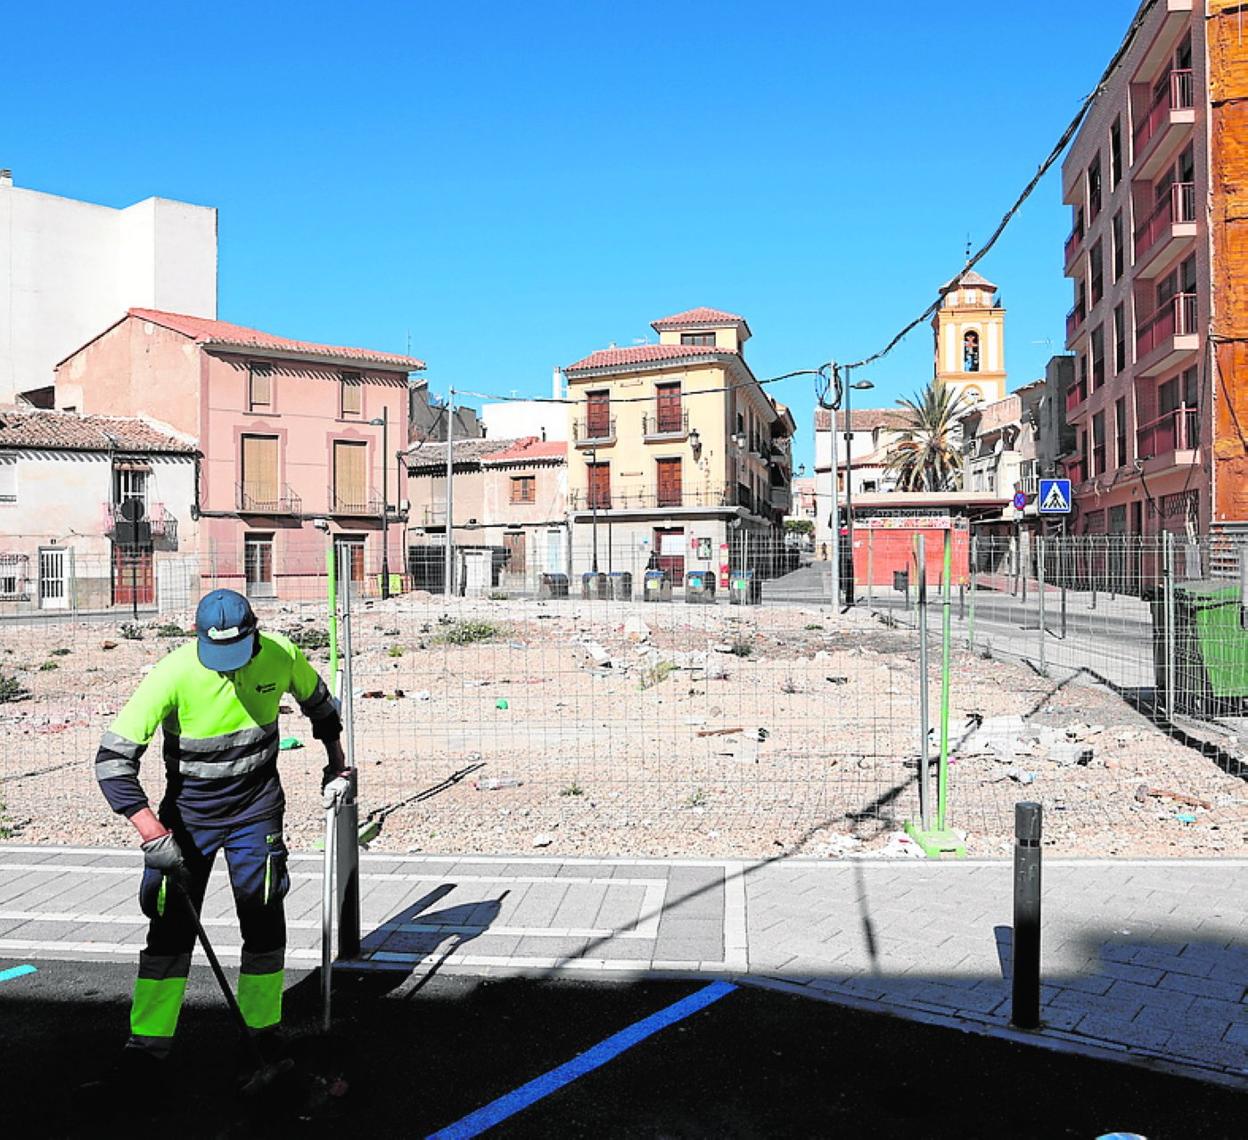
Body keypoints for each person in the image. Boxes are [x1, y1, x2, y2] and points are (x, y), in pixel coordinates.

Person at [90, 588, 346, 1088]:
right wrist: (151, 833)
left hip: (257, 811)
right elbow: (112, 762)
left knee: (263, 918)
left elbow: (321, 706)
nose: (228, 668)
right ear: (197, 637)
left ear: (255, 633)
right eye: (218, 656)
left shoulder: (281, 653)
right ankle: (147, 1048)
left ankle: (261, 1036)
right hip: (187, 820)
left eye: (238, 653)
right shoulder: (172, 673)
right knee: (169, 929)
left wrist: (336, 765)